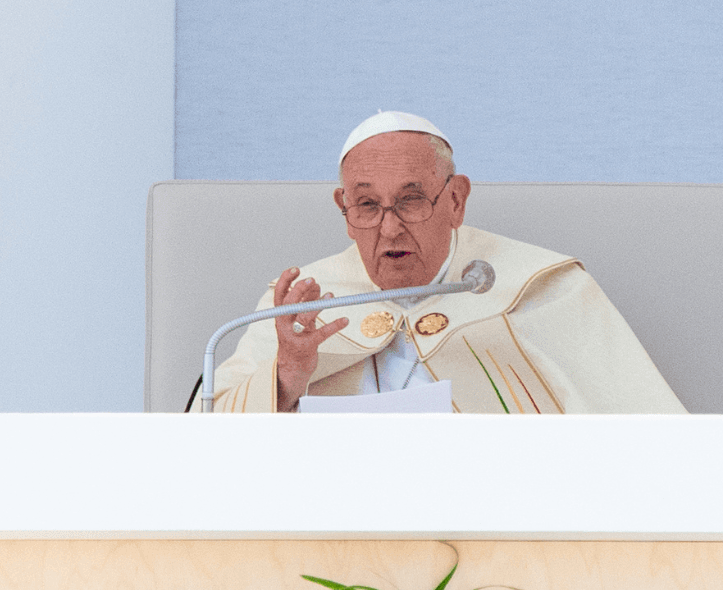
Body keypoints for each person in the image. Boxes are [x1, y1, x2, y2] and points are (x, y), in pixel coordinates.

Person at [210, 111, 685, 413]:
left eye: (411, 200)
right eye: (368, 205)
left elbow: (647, 439)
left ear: (456, 200)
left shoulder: (542, 289)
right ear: (344, 209)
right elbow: (200, 445)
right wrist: (287, 377)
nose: (389, 228)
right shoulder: (297, 307)